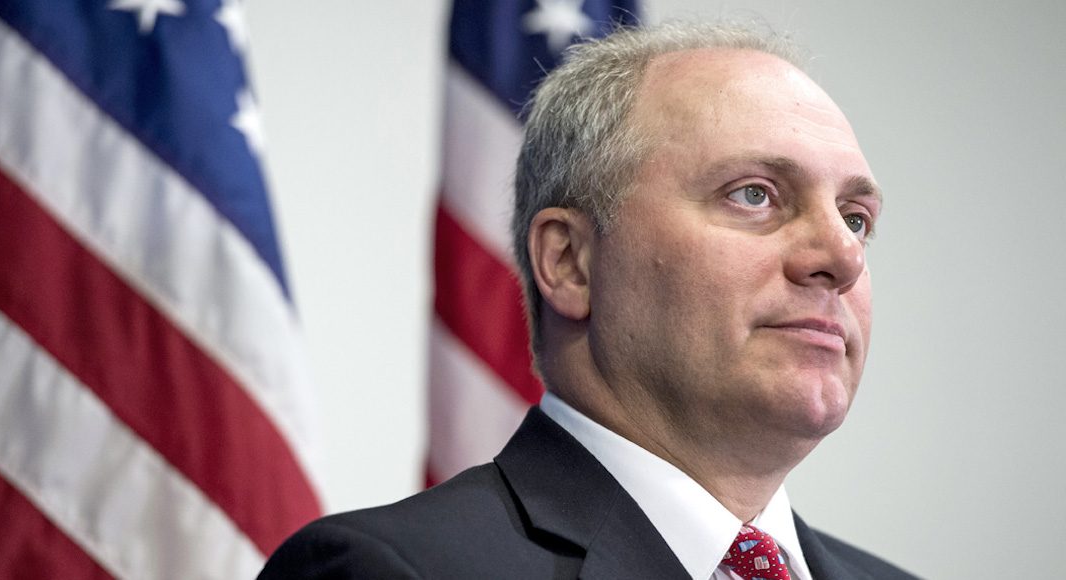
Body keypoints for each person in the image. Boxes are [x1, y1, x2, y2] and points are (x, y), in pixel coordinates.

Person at [261, 20, 916, 580]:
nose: (842, 257)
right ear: (570, 263)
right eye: (754, 193)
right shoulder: (390, 571)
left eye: (855, 217)